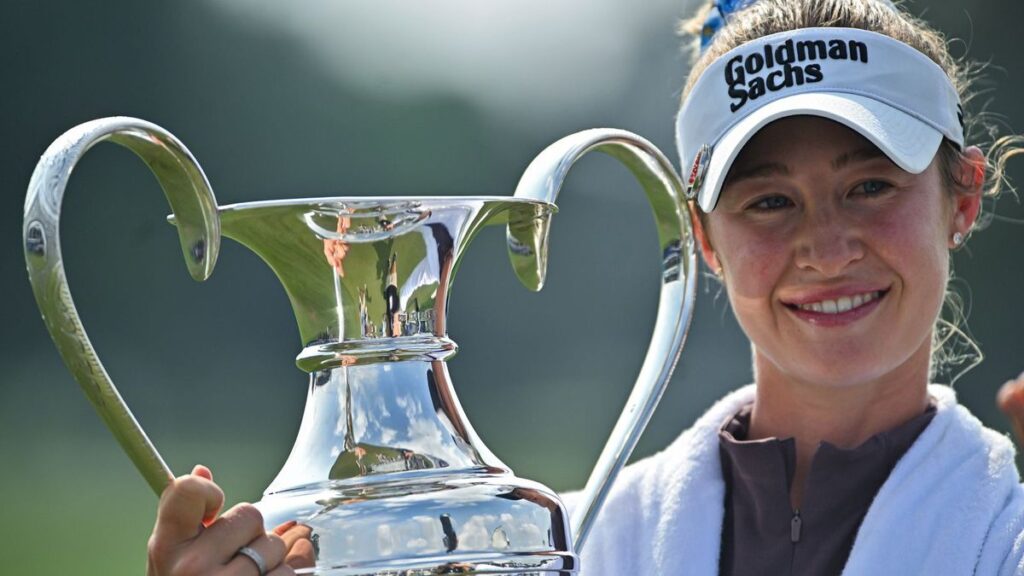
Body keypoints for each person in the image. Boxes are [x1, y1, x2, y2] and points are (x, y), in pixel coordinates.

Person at [146, 0, 1024, 574]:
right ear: (703, 242)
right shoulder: (552, 548)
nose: (827, 247)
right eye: (768, 202)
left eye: (870, 186)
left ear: (963, 198)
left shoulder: (1007, 531)